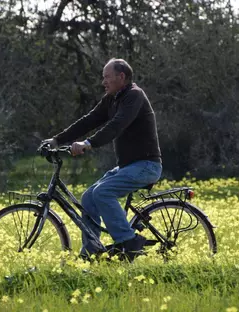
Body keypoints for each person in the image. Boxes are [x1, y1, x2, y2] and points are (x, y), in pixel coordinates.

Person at [43, 58, 162, 261]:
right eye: (103, 77)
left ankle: (128, 241)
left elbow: (117, 125)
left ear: (121, 77)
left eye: (107, 77)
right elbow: (89, 120)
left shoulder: (134, 96)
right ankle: (91, 253)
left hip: (146, 165)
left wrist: (88, 144)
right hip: (129, 166)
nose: (103, 82)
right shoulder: (112, 99)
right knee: (89, 197)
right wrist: (56, 140)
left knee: (103, 192)